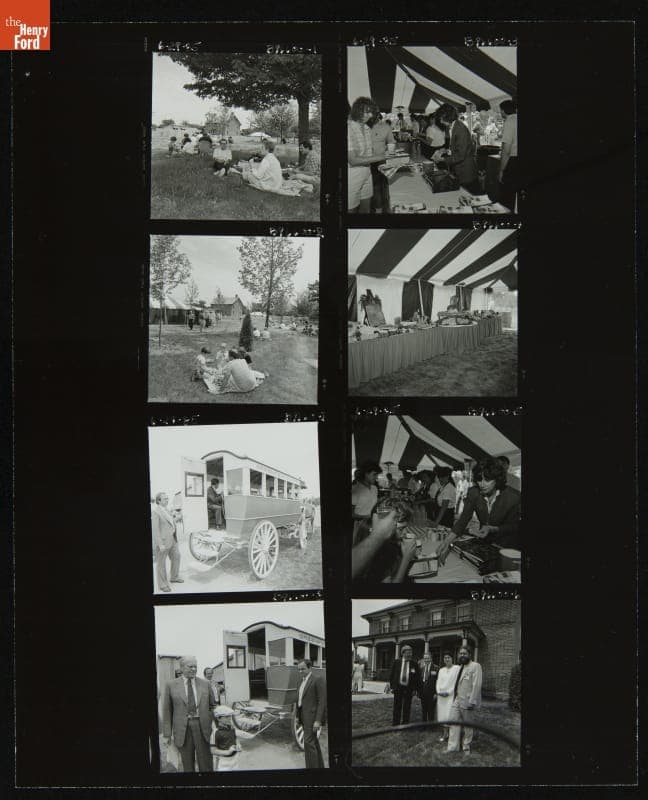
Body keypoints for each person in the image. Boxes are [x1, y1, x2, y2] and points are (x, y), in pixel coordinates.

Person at [437, 456, 522, 561]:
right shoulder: (474, 492)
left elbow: (514, 527)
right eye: (479, 479)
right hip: (485, 543)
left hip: (506, 547)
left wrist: (493, 528)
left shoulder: (514, 497)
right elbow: (463, 520)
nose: (482, 484)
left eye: (487, 479)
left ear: (497, 478)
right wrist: (447, 541)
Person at [161, 655, 218, 772]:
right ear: (181, 668)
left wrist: (211, 722)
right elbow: (167, 711)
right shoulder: (171, 685)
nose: (194, 669)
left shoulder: (205, 684)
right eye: (190, 666)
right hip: (183, 729)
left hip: (203, 727)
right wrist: (167, 734)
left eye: (195, 666)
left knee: (206, 763)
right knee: (187, 764)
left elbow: (213, 706)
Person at [347, 97, 386, 213]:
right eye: (367, 112)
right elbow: (353, 160)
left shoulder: (367, 128)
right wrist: (382, 157)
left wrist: (390, 156)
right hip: (352, 174)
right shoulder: (348, 129)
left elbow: (369, 154)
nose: (370, 115)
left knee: (366, 208)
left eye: (371, 112)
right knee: (351, 210)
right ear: (357, 110)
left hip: (367, 171)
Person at [435, 103, 478, 191]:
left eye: (441, 118)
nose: (440, 121)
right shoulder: (454, 126)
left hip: (466, 171)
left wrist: (442, 159)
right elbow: (457, 148)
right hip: (459, 169)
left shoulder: (460, 129)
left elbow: (460, 155)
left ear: (446, 116)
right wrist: (446, 150)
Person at [447, 646, 482, 754]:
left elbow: (477, 684)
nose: (462, 655)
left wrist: (472, 701)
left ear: (469, 655)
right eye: (460, 653)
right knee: (453, 722)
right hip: (457, 699)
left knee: (467, 726)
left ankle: (466, 745)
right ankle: (453, 747)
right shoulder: (460, 667)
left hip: (468, 701)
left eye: (464, 653)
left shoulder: (475, 666)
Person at [296, 660, 326, 769]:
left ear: (310, 668)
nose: (300, 671)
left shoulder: (317, 679)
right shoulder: (301, 681)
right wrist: (298, 716)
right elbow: (300, 700)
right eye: (299, 669)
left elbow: (322, 701)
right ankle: (320, 766)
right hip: (304, 717)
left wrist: (318, 720)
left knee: (308, 744)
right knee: (313, 742)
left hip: (312, 718)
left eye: (302, 669)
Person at [151, 492, 182, 593]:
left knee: (177, 556)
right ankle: (163, 585)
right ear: (159, 501)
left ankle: (174, 577)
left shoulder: (167, 510)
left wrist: (176, 519)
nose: (167, 500)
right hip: (163, 542)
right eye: (165, 499)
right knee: (161, 564)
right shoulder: (155, 512)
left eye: (167, 498)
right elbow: (155, 530)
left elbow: (170, 522)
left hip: (172, 539)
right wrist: (160, 544)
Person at [367, 110, 395, 213]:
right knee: (377, 185)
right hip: (370, 160)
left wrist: (389, 154)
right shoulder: (365, 126)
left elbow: (391, 142)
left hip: (377, 160)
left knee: (379, 185)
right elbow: (391, 144)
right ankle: (381, 208)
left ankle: (380, 208)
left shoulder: (385, 127)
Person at [389, 645, 420, 726]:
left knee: (407, 706)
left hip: (409, 689)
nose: (410, 655)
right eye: (408, 653)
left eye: (411, 653)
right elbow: (391, 675)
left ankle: (405, 723)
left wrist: (415, 689)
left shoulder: (414, 664)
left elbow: (417, 678)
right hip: (398, 688)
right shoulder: (396, 662)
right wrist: (392, 686)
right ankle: (396, 723)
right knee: (397, 706)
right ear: (403, 653)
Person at [351, 461, 381, 543]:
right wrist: (368, 517)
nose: (377, 477)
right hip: (361, 527)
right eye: (374, 474)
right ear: (366, 474)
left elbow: (374, 507)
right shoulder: (355, 489)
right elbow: (351, 514)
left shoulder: (375, 488)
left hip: (374, 525)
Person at [498, 99, 518, 211]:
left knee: (506, 196)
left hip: (513, 162)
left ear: (504, 111)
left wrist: (501, 170)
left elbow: (506, 150)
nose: (500, 113)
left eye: (500, 111)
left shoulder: (509, 121)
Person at [435, 652, 460, 742]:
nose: (447, 659)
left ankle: (451, 736)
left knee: (450, 715)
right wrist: (438, 692)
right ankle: (445, 734)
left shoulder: (457, 668)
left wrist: (449, 692)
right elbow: (438, 682)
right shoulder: (441, 670)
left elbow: (456, 683)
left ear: (452, 658)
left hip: (450, 696)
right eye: (445, 658)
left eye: (448, 657)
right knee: (442, 715)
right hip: (441, 697)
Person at [419, 653, 439, 723]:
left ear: (431, 659)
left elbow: (438, 681)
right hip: (423, 692)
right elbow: (420, 681)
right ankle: (424, 725)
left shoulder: (436, 668)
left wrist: (436, 693)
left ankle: (431, 725)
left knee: (431, 709)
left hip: (432, 693)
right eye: (425, 658)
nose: (426, 660)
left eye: (427, 658)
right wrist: (419, 692)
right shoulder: (421, 669)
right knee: (424, 709)